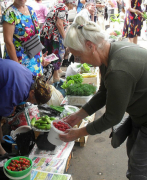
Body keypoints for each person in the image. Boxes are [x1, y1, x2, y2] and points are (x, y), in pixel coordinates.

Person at [60, 16, 147, 180]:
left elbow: (113, 117)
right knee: (134, 153)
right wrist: (79, 115)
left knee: (138, 169)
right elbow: (103, 92)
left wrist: (78, 132)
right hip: (140, 114)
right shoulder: (110, 52)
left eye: (78, 56)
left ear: (90, 46)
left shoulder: (118, 70)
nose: (79, 62)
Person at [2, 0, 47, 77]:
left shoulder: (31, 10)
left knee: (37, 86)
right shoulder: (10, 13)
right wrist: (17, 68)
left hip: (35, 59)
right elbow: (8, 42)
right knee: (23, 86)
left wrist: (41, 56)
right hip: (19, 61)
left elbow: (36, 35)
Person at [40, 0, 77, 83]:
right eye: (73, 5)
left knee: (49, 54)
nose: (73, 8)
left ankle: (57, 72)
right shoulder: (64, 7)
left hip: (46, 33)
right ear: (70, 3)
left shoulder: (59, 5)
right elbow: (59, 24)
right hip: (53, 35)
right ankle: (55, 77)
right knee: (56, 54)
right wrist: (65, 38)